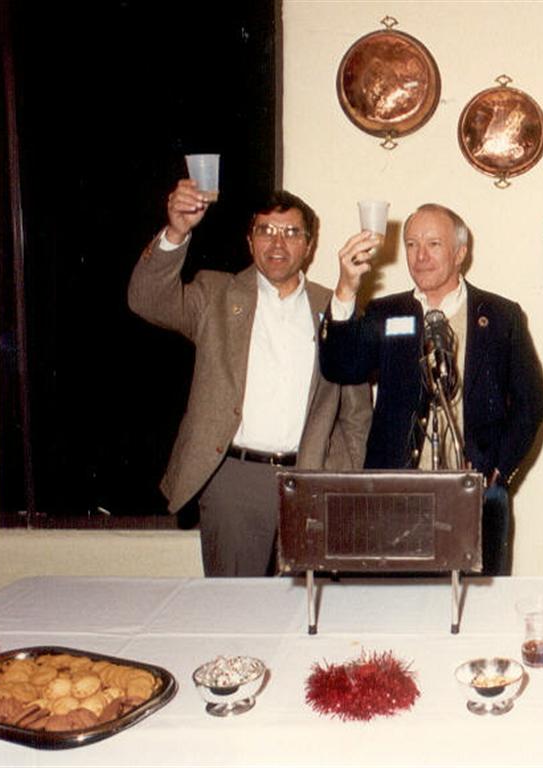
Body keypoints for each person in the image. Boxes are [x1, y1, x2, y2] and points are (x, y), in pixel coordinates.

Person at [128, 180, 372, 577]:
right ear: (249, 240)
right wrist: (176, 232)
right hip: (234, 481)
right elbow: (147, 299)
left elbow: (356, 411)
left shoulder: (336, 307)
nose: (277, 243)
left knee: (306, 605)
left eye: (291, 232)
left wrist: (340, 474)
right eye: (265, 230)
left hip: (310, 478)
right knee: (235, 606)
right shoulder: (215, 294)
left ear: (309, 246)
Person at [318, 203, 543, 576]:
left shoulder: (501, 316)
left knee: (477, 604)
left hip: (475, 497)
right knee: (396, 603)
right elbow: (340, 366)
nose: (420, 256)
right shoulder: (386, 312)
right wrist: (346, 288)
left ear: (460, 253)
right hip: (395, 495)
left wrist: (499, 470)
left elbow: (531, 404)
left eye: (433, 244)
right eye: (411, 244)